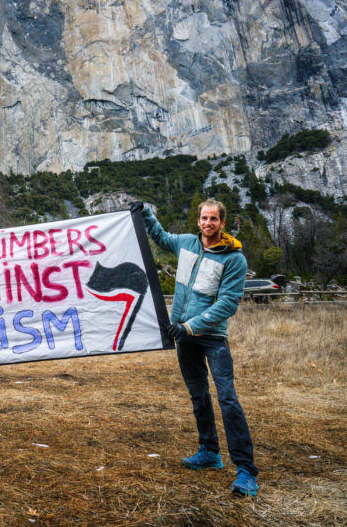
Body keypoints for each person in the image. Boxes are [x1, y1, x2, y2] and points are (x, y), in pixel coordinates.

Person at [131, 198, 259, 497]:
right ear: (198, 221)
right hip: (184, 336)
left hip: (211, 337)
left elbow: (227, 304)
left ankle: (246, 471)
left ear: (222, 223)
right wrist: (146, 213)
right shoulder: (187, 243)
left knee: (227, 399)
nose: (207, 224)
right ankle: (210, 453)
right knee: (198, 395)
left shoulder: (234, 259)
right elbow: (161, 237)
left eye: (213, 219)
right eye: (204, 218)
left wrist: (189, 326)